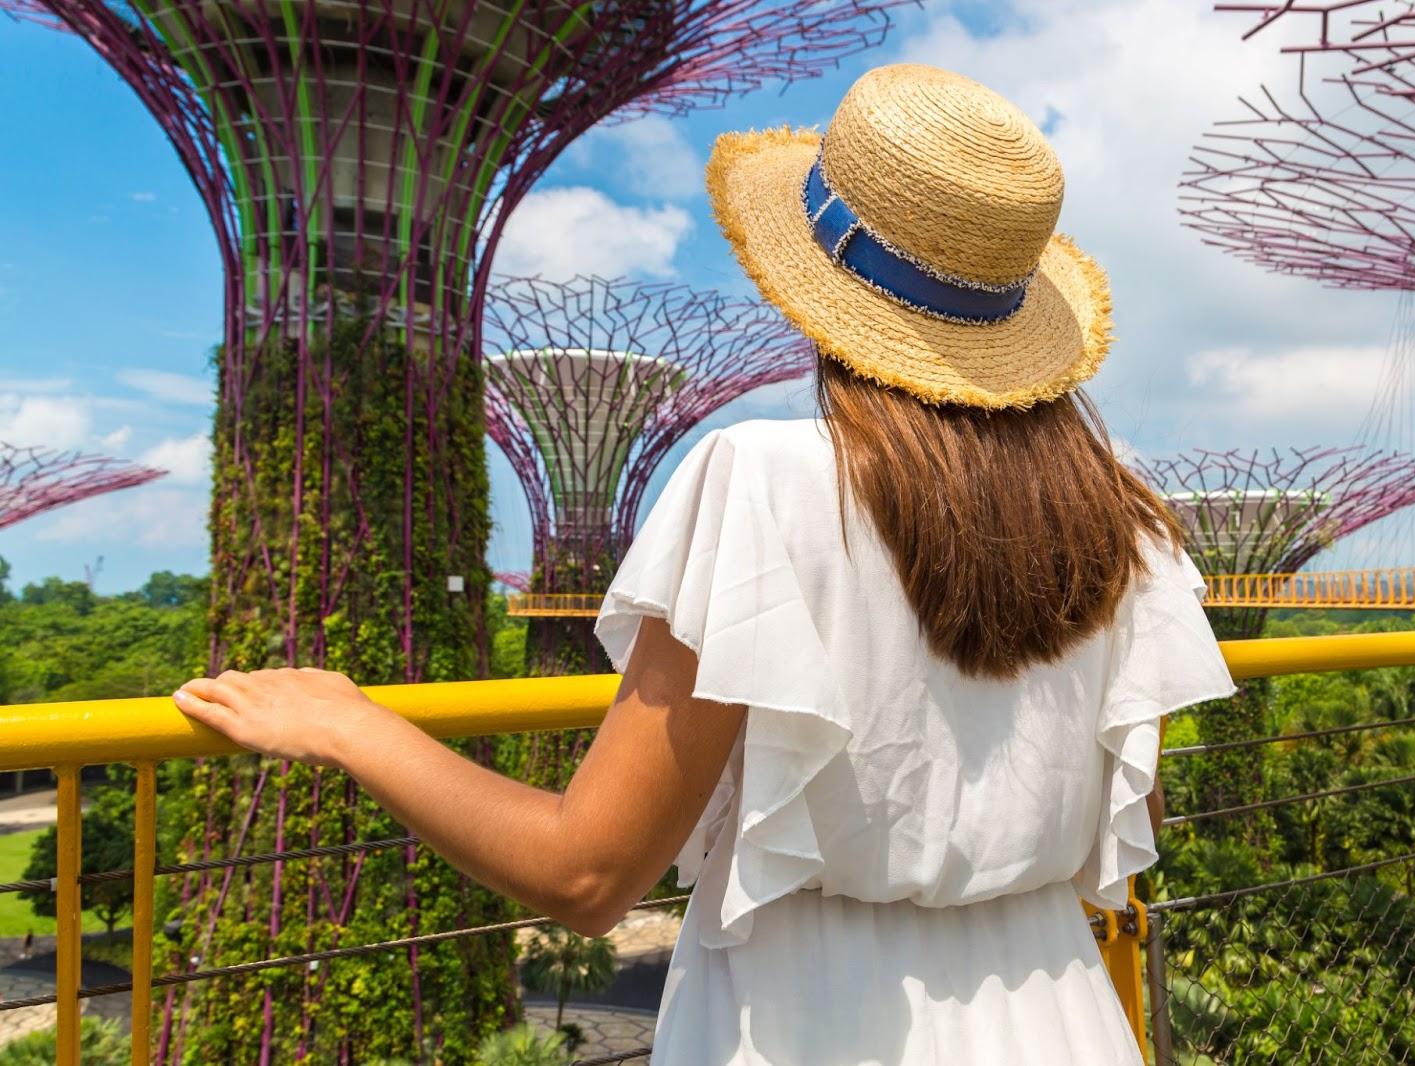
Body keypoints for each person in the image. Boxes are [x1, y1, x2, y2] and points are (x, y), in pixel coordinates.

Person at [171, 64, 1234, 1065]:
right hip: (1065, 1014)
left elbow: (587, 874)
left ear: (814, 286)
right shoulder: (1123, 514)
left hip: (810, 1020)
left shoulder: (762, 484)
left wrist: (351, 722)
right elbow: (1116, 824)